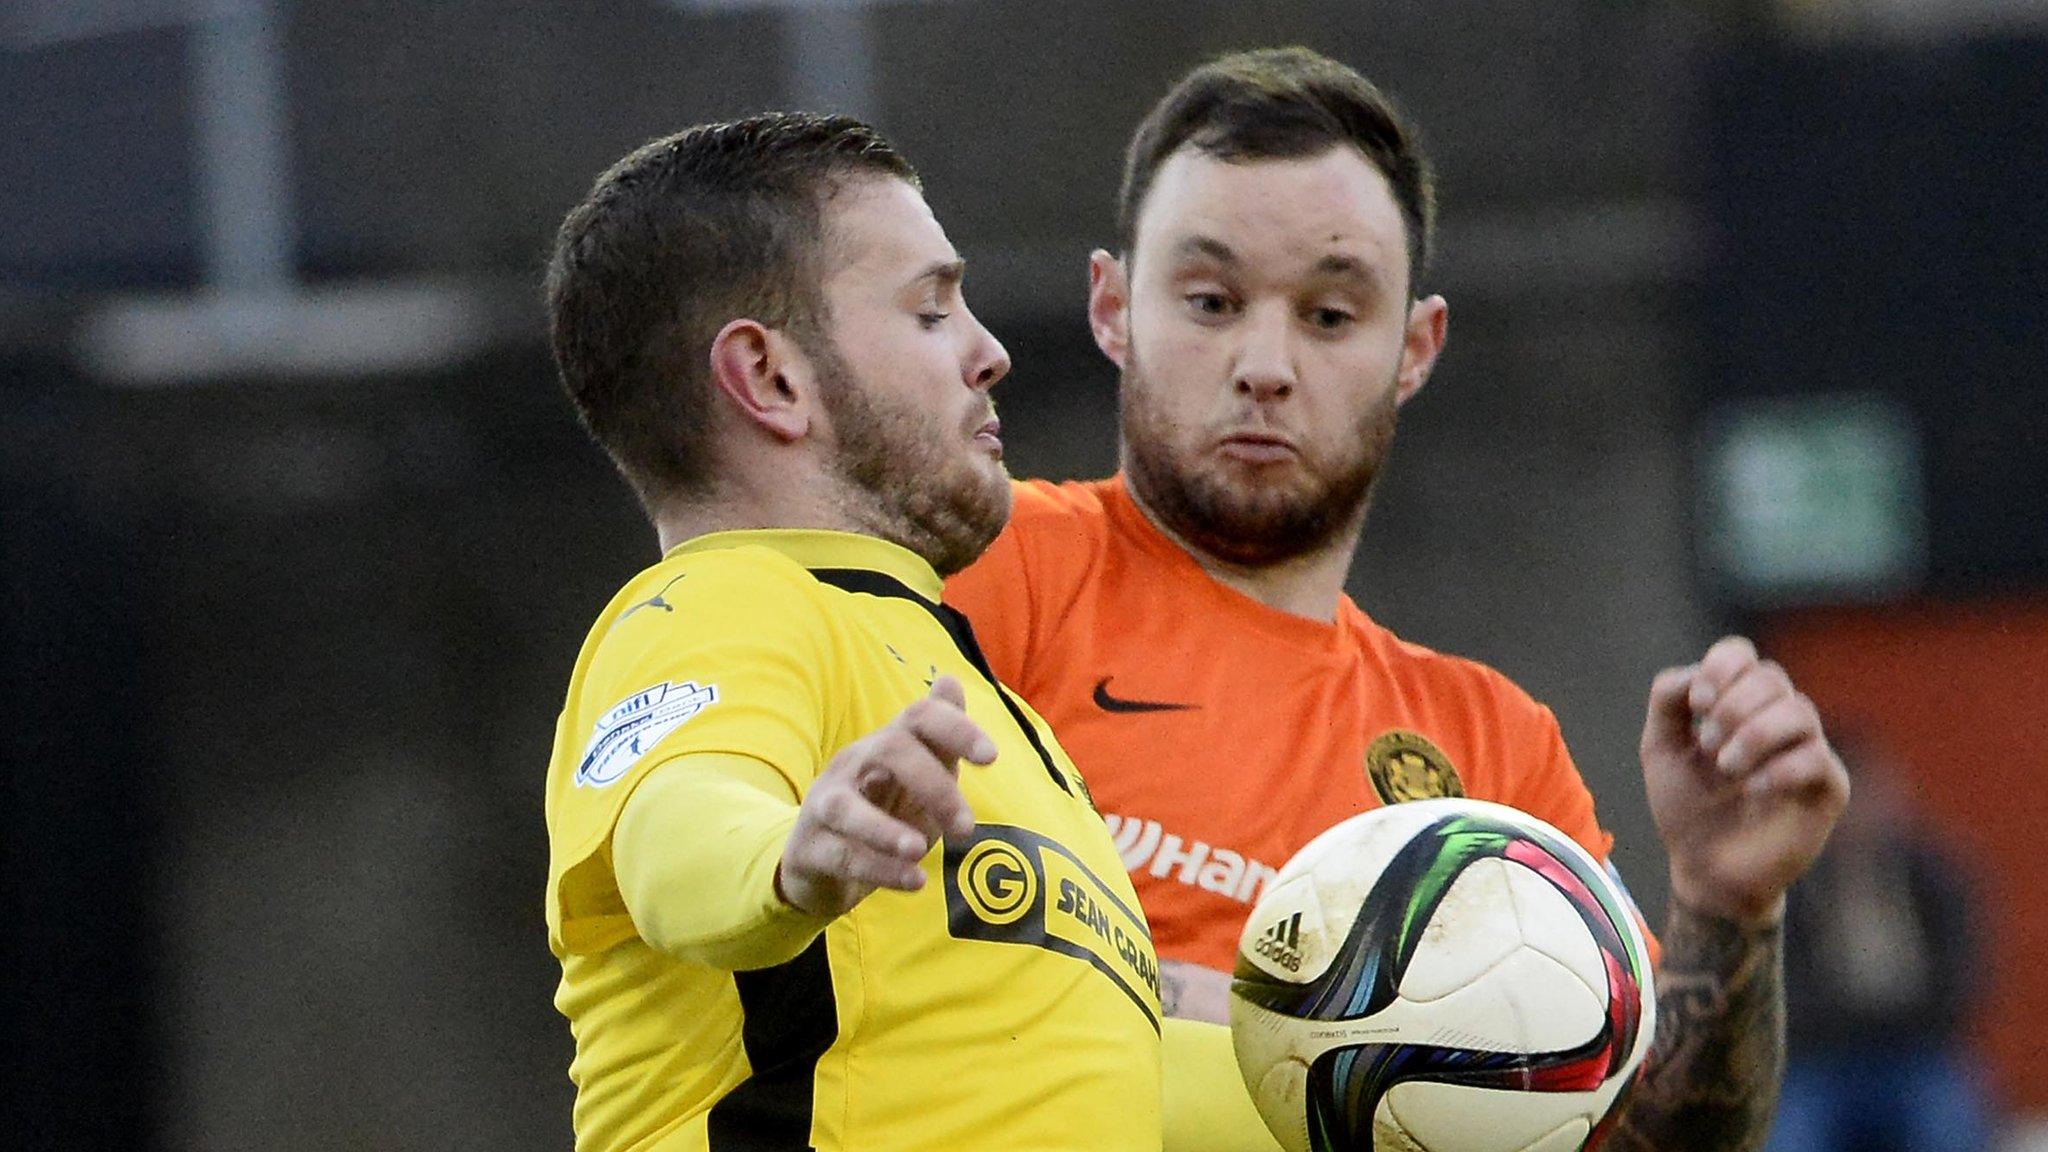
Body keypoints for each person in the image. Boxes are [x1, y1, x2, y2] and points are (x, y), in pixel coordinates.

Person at [945, 47, 1851, 1150]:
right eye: (1209, 300)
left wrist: (1725, 902)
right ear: (1111, 307)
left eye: (1329, 314)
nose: (1264, 364)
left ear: (1413, 348)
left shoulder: (1492, 753)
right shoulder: (983, 565)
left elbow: (1649, 1142)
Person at [540, 113, 1222, 1151]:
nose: (988, 353)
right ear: (770, 378)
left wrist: (1387, 1071)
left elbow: (1096, 1072)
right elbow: (674, 823)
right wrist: (784, 859)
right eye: (929, 310)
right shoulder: (723, 604)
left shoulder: (963, 703)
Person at [1767, 732, 1995, 1152]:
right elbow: (1782, 995)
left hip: (1916, 1058)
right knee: (1790, 1135)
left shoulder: (1932, 877)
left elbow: (1964, 981)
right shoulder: (1792, 889)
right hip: (1820, 1063)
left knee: (1947, 1126)